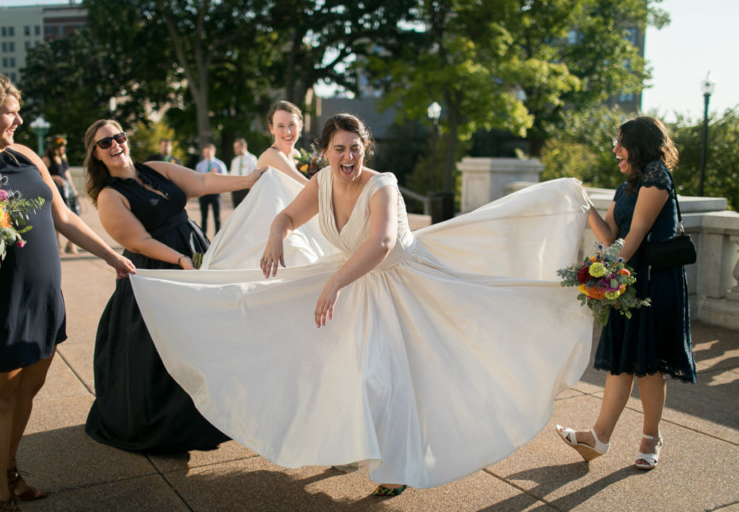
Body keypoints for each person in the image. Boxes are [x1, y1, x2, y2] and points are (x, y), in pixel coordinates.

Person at [129, 113, 594, 494]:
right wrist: (275, 235)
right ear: (325, 152)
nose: (347, 157)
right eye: (338, 149)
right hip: (353, 281)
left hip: (401, 283)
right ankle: (351, 443)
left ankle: (394, 469)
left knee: (393, 376)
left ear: (365, 148)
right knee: (334, 365)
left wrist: (334, 284)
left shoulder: (383, 184)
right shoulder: (323, 181)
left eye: (355, 148)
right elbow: (289, 214)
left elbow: (382, 241)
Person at [0, 70, 136, 512]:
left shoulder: (24, 155)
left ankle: (7, 471)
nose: (18, 122)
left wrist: (111, 255)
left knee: (28, 388)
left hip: (40, 297)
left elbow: (63, 216)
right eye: (9, 113)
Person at [82, 119, 266, 454]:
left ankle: (209, 412)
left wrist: (250, 179)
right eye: (105, 143)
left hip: (191, 249)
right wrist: (181, 260)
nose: (115, 145)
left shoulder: (152, 169)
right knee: (158, 347)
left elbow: (202, 181)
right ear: (95, 154)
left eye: (119, 137)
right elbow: (139, 241)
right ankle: (163, 424)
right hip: (158, 268)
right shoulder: (110, 196)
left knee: (205, 335)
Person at [555, 116, 696, 470]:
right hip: (629, 282)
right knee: (622, 360)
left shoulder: (656, 178)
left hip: (655, 283)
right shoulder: (626, 187)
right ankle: (599, 437)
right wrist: (584, 204)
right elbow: (609, 235)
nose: (615, 150)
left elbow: (631, 242)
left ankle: (651, 438)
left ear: (640, 145)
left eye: (621, 143)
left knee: (648, 366)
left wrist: (598, 272)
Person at [42, 135, 81, 254]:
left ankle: (71, 243)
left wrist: (74, 189)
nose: (63, 149)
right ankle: (58, 244)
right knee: (58, 217)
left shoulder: (63, 157)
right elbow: (40, 174)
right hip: (56, 190)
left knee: (73, 215)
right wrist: (54, 178)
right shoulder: (47, 159)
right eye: (61, 146)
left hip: (67, 190)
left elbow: (67, 174)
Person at [255, 101, 309, 186]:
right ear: (271, 128)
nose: (287, 132)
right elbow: (306, 186)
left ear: (300, 125)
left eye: (292, 124)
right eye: (281, 126)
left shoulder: (296, 155)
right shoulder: (271, 155)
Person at [195, 143, 228, 236]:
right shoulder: (199, 165)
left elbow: (224, 179)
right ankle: (203, 236)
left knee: (217, 217)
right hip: (204, 194)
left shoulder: (219, 165)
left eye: (208, 152)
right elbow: (196, 179)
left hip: (215, 193)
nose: (207, 154)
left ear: (213, 152)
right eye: (205, 152)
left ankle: (217, 237)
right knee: (203, 217)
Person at [229, 137, 257, 208]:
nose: (235, 149)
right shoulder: (234, 160)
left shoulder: (252, 159)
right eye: (234, 147)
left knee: (247, 210)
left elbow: (255, 174)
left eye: (237, 147)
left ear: (244, 146)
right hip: (236, 189)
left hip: (247, 189)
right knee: (236, 210)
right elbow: (232, 175)